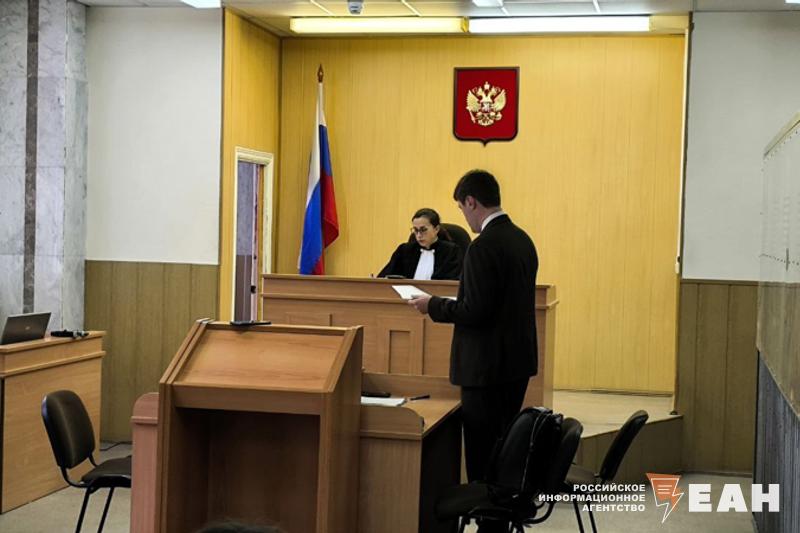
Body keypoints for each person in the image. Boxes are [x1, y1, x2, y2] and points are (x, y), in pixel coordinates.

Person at [408, 169, 538, 490]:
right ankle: (503, 509)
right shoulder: (522, 240)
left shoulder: (483, 247)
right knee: (505, 447)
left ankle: (486, 511)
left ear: (471, 201)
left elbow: (474, 311)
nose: (464, 218)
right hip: (516, 363)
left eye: (461, 208)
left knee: (483, 455)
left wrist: (432, 305)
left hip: (485, 369)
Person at [377, 207, 463, 280]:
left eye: (423, 230)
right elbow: (385, 278)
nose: (418, 235)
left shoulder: (451, 252)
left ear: (436, 229)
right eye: (415, 230)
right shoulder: (404, 251)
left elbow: (453, 283)